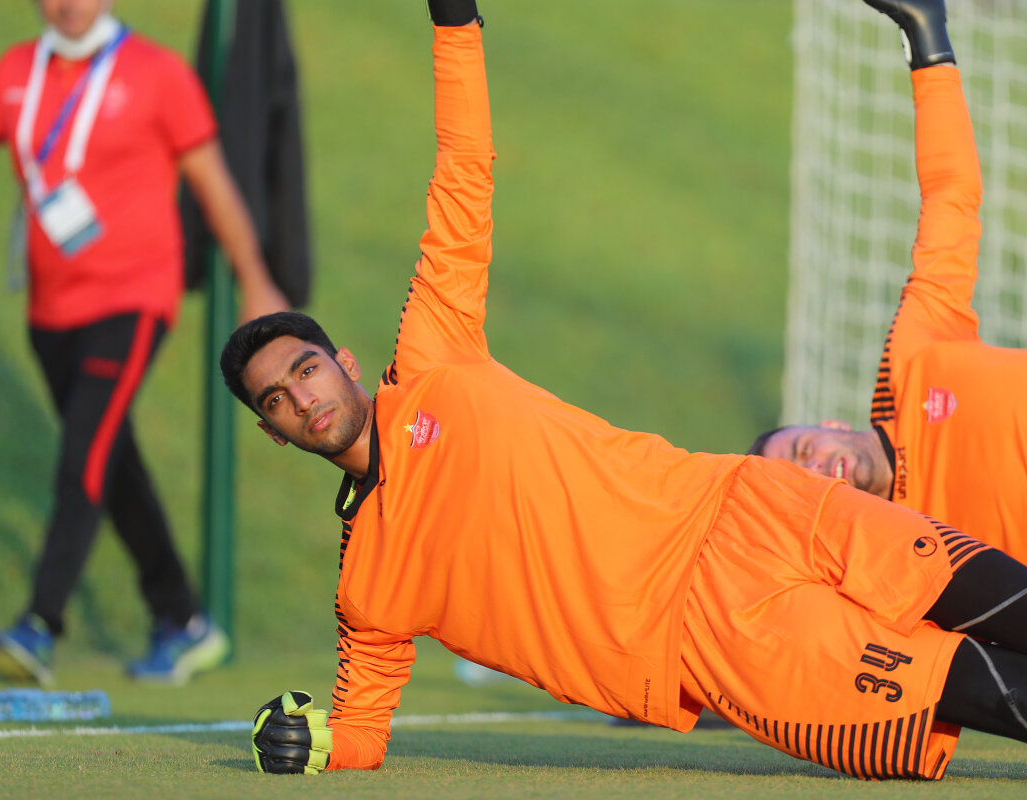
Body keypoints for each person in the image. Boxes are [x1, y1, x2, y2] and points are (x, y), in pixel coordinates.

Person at [223, 0, 1027, 780]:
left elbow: (463, 174)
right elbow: (361, 732)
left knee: (1006, 599)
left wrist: (454, 25)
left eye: (306, 369)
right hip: (710, 637)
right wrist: (308, 741)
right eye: (276, 400)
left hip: (751, 502)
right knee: (988, 694)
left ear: (344, 362)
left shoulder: (433, 355)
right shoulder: (369, 582)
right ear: (271, 432)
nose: (302, 398)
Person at [0, 0, 288, 685]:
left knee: (83, 454)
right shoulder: (13, 73)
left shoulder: (157, 72)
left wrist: (256, 280)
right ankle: (182, 617)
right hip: (49, 309)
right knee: (112, 460)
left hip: (134, 299)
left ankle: (39, 624)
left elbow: (213, 185)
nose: (68, 4)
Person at [746, 3, 1027, 562]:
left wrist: (927, 40)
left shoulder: (911, 362)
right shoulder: (919, 557)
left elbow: (950, 199)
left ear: (829, 424)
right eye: (805, 485)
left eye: (803, 450)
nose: (817, 468)